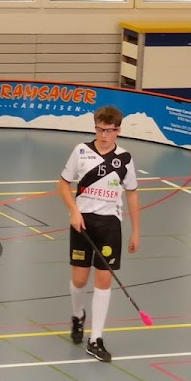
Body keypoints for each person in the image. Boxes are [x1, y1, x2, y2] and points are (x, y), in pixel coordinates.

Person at [58, 105, 141, 363]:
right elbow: (63, 184)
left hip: (110, 225)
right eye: (99, 129)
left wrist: (136, 231)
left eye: (109, 131)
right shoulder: (81, 151)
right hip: (82, 222)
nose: (104, 135)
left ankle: (96, 339)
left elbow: (132, 194)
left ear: (118, 131)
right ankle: (77, 315)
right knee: (79, 280)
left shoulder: (124, 159)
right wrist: (74, 211)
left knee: (103, 281)